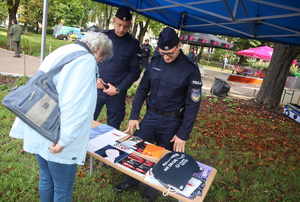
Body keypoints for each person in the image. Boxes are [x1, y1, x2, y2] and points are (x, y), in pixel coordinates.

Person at [9, 32, 113, 202]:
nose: (99, 62)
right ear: (98, 50)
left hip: (39, 122)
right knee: (62, 189)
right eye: (100, 59)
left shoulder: (65, 49)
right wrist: (64, 140)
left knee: (46, 178)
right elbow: (76, 106)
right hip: (56, 135)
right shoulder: (86, 60)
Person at [115, 27, 202, 201]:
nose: (166, 57)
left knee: (163, 158)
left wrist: (183, 134)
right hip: (151, 116)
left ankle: (151, 191)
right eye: (163, 53)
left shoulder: (190, 69)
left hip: (172, 121)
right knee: (139, 149)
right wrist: (134, 116)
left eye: (170, 53)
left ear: (178, 46)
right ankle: (130, 180)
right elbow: (141, 90)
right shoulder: (155, 62)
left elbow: (193, 105)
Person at [94, 7, 141, 129]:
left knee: (113, 129)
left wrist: (119, 89)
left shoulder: (133, 44)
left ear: (130, 25)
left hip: (116, 93)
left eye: (125, 26)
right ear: (114, 20)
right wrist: (94, 78)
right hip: (96, 87)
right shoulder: (103, 36)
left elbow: (135, 72)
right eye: (119, 24)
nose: (121, 29)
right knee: (86, 120)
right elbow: (91, 59)